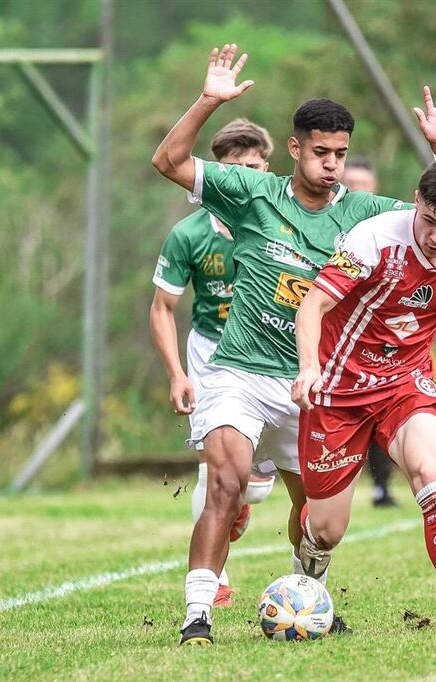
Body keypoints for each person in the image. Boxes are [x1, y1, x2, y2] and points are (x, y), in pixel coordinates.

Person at [150, 43, 436, 645]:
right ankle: (197, 616)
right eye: (320, 153)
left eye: (340, 155)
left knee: (319, 520)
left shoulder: (367, 215)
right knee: (227, 481)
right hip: (237, 370)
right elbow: (168, 159)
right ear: (294, 149)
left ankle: (305, 594)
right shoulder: (249, 192)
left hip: (313, 381)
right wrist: (209, 100)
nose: (331, 165)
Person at [291, 159, 436, 636]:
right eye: (429, 221)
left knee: (430, 473)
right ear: (416, 199)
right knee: (327, 529)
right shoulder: (372, 241)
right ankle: (305, 580)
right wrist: (308, 367)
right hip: (337, 389)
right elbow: (314, 303)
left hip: (404, 384)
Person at [149, 118, 280, 609]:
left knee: (262, 483)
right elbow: (163, 308)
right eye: (232, 170)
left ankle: (244, 504)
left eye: (252, 168)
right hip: (213, 354)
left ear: (266, 168)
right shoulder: (189, 234)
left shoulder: (283, 223)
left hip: (275, 350)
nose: (243, 179)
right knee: (214, 468)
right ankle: (216, 578)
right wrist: (177, 373)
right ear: (215, 172)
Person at [340, 157, 397, 509]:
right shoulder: (332, 224)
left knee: (381, 413)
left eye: (365, 184)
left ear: (374, 189)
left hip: (379, 338)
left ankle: (381, 486)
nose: (358, 190)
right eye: (352, 184)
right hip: (335, 335)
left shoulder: (391, 227)